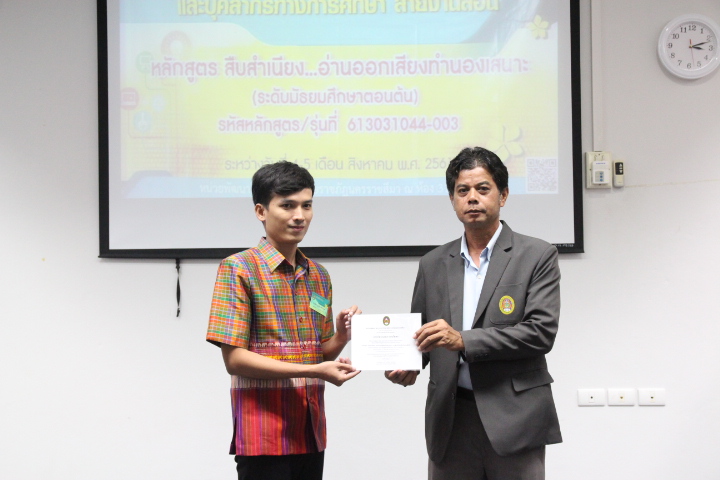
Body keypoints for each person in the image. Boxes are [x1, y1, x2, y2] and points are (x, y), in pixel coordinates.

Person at [386, 147, 562, 480]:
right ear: (452, 199)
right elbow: (422, 338)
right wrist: (406, 364)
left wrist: (463, 340)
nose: (472, 198)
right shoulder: (433, 263)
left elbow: (540, 333)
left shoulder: (537, 255)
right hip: (451, 419)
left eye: (483, 189)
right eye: (462, 190)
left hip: (513, 416)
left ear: (503, 195)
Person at [206, 161, 361, 480]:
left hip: (310, 431)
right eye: (287, 205)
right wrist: (314, 370)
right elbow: (235, 360)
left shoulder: (318, 275)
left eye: (307, 205)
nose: (299, 215)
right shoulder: (238, 269)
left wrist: (341, 337)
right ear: (261, 211)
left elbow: (319, 353)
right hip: (263, 434)